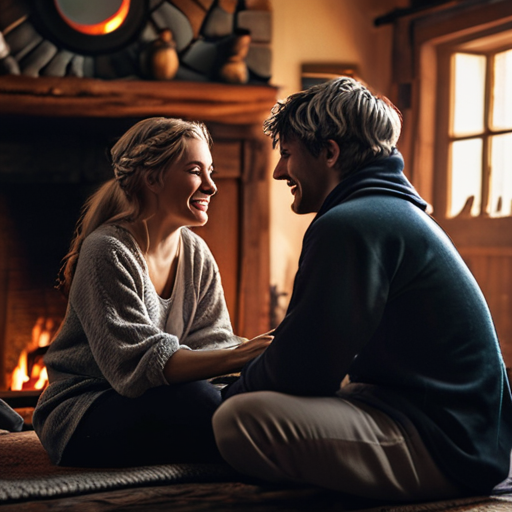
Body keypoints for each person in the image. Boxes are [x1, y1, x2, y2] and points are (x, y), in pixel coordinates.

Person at [212, 77, 512, 502]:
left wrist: (220, 400)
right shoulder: (386, 212)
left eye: (288, 155)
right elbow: (310, 353)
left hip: (448, 448)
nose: (279, 171)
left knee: (237, 419)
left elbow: (304, 370)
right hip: (458, 434)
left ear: (329, 152)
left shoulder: (351, 224)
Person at [32, 117, 272, 467]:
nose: (211, 186)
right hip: (84, 411)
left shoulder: (196, 253)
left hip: (157, 397)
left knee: (239, 399)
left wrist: (264, 359)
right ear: (153, 178)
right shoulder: (107, 250)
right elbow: (136, 366)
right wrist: (243, 355)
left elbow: (213, 343)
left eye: (211, 172)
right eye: (195, 171)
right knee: (201, 404)